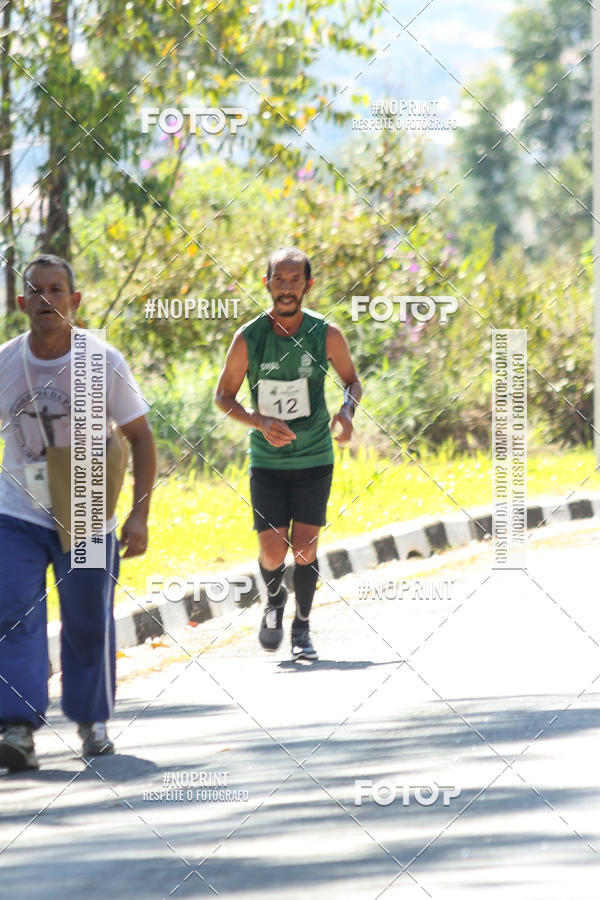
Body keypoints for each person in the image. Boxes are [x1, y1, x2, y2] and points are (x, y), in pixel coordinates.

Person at [0, 254, 156, 772]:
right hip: (17, 511)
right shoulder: (6, 361)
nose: (47, 300)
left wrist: (139, 515)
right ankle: (17, 729)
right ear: (21, 302)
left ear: (75, 299)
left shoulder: (101, 359)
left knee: (87, 619)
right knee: (15, 614)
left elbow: (140, 437)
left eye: (57, 289)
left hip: (88, 504)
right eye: (36, 291)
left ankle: (92, 722)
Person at [215, 247, 362, 659]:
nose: (286, 288)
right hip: (267, 460)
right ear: (266, 284)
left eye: (295, 280)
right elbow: (223, 397)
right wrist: (259, 422)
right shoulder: (248, 338)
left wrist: (347, 412)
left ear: (308, 286)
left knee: (305, 549)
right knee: (272, 551)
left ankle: (302, 626)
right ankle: (274, 602)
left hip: (314, 456)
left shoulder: (326, 334)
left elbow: (352, 381)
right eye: (279, 280)